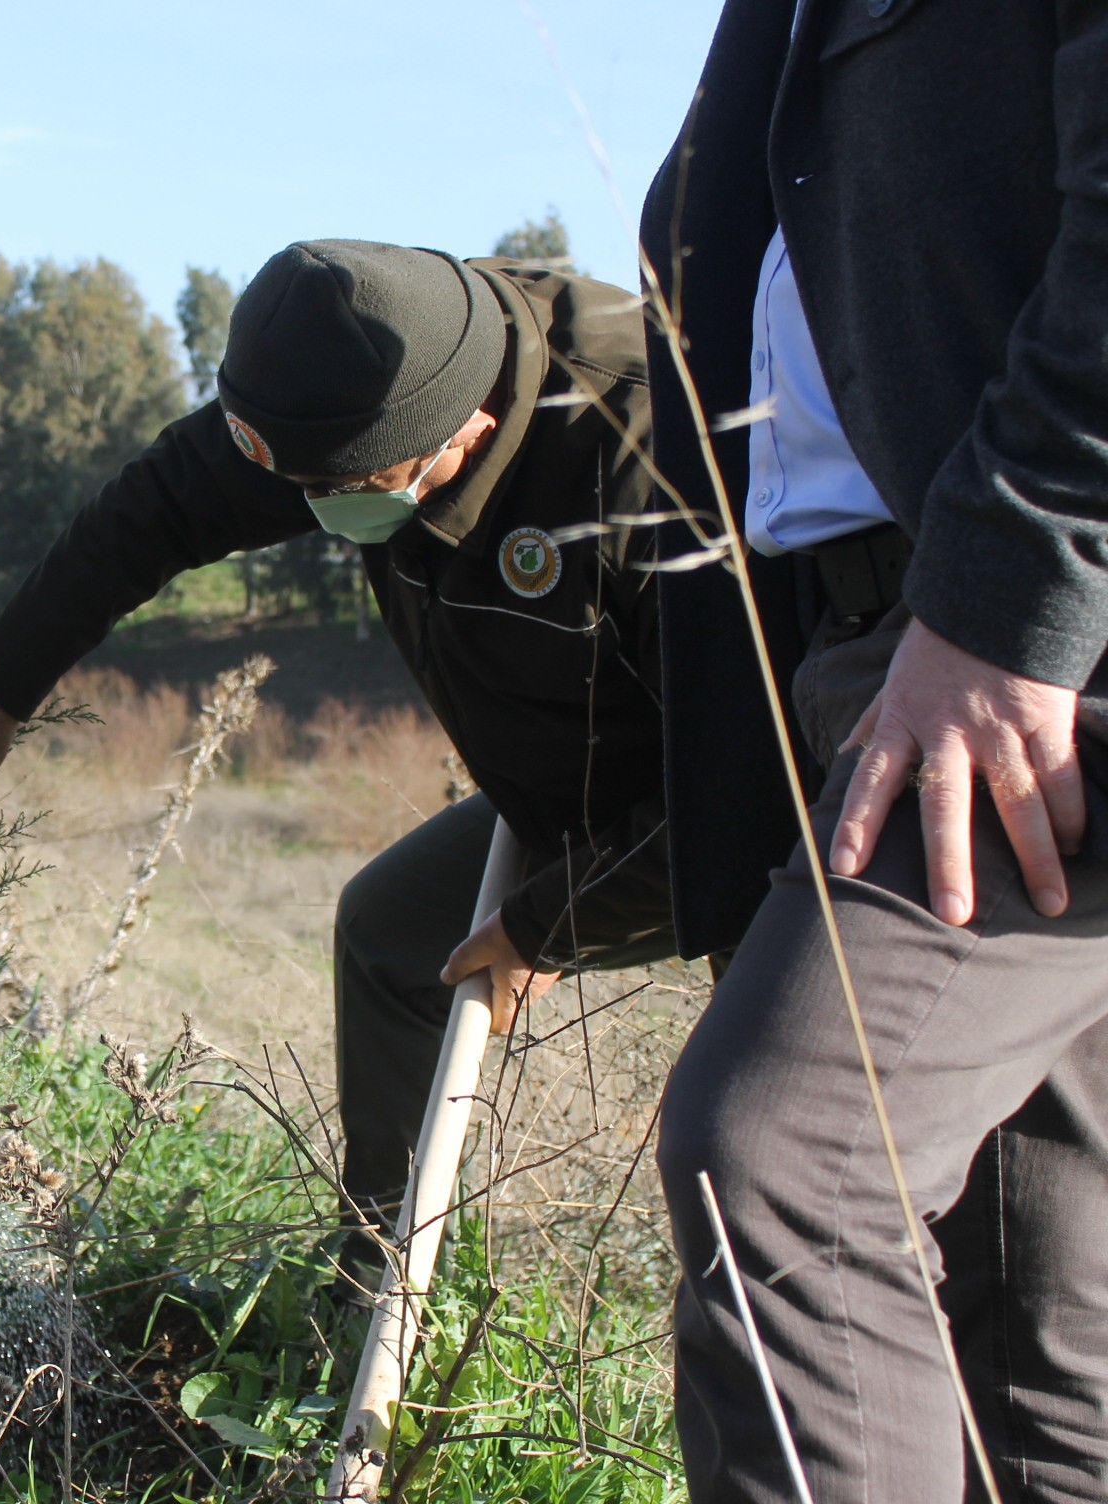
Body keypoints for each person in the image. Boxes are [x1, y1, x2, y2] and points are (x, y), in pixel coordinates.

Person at [0, 239, 675, 1250]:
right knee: (395, 933)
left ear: (471, 428)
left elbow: (749, 786)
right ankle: (375, 1293)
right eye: (304, 485)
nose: (321, 511)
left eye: (353, 487)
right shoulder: (348, 384)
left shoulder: (651, 453)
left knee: (757, 1132)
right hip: (561, 785)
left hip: (777, 815)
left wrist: (555, 920)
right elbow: (163, 505)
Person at [640, 3, 1108, 1499]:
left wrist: (1009, 592)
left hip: (1019, 646)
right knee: (1041, 1296)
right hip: (895, 637)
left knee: (786, 1158)